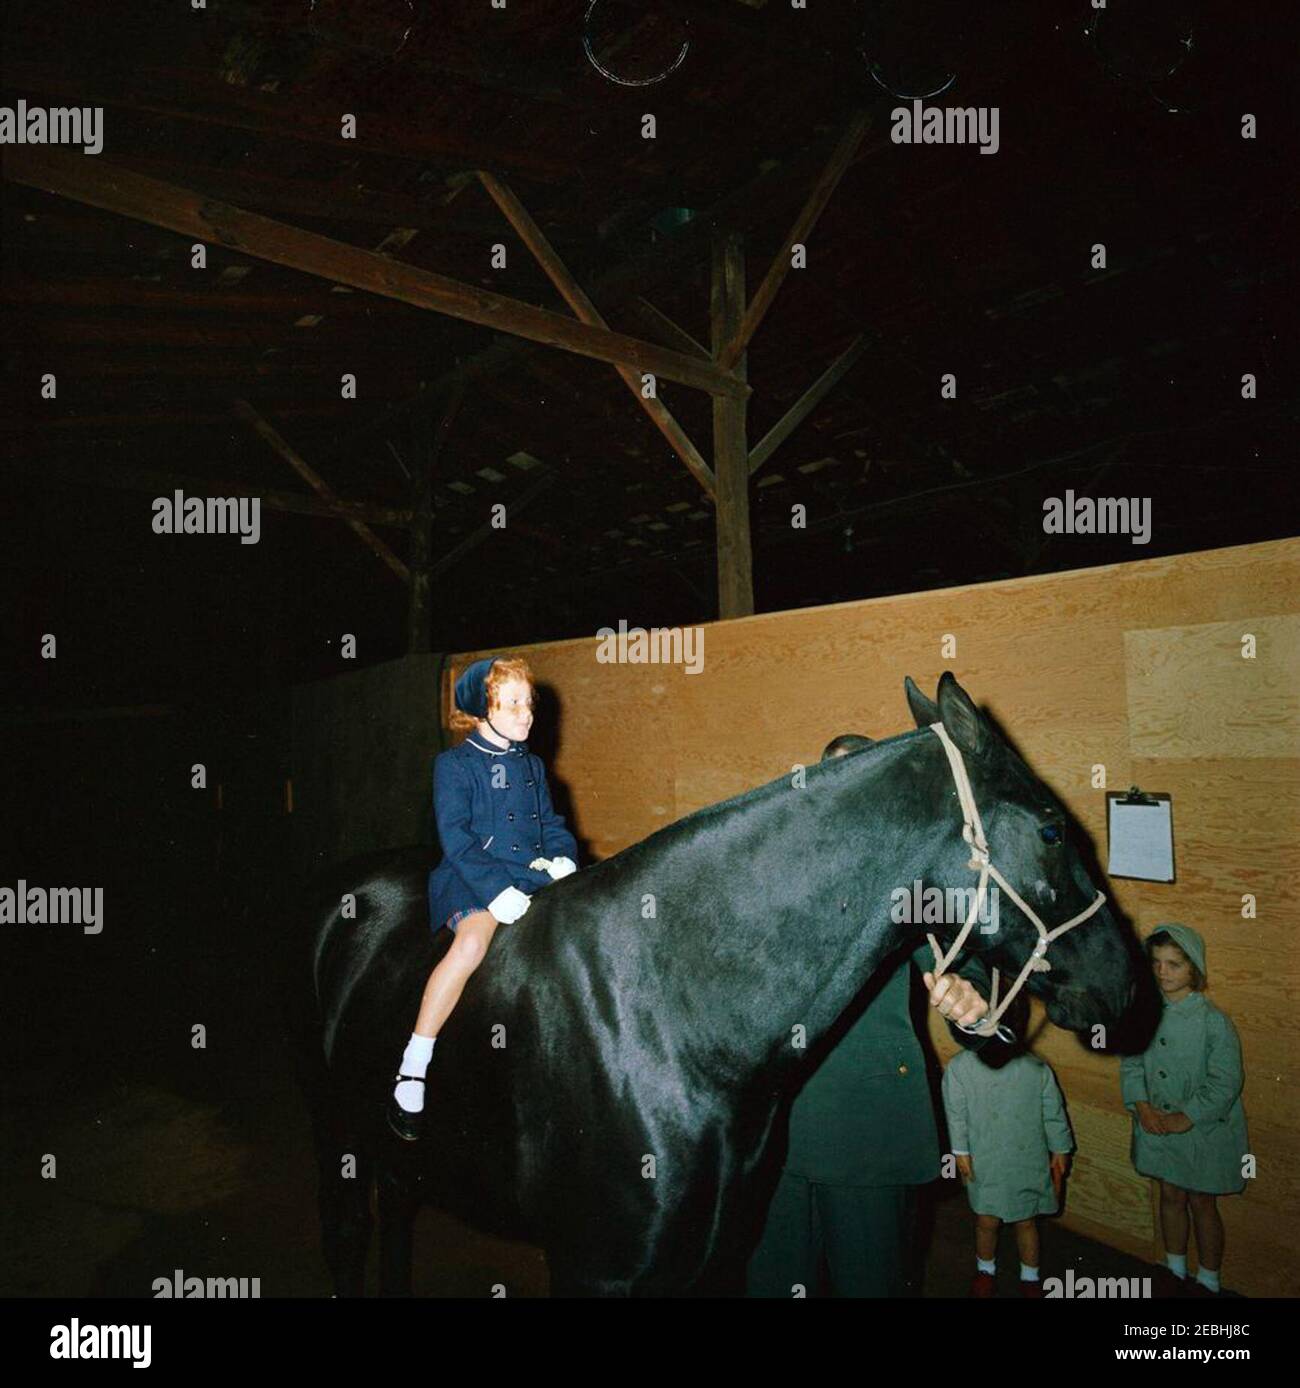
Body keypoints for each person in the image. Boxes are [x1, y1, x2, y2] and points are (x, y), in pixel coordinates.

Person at [746, 733, 994, 1298]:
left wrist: (972, 1001)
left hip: (865, 1127)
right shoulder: (773, 873)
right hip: (770, 1129)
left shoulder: (909, 886)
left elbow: (969, 964)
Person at [387, 655, 578, 1141]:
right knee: (473, 943)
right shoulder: (454, 765)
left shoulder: (532, 764)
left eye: (528, 703)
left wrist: (561, 857)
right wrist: (495, 893)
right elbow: (457, 839)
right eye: (511, 703)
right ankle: (415, 1060)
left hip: (529, 873)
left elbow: (550, 825)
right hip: (471, 876)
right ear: (480, 707)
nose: (525, 714)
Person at [1119, 924, 1249, 1298]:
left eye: (1174, 964)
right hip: (1155, 1125)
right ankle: (1173, 1269)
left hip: (1201, 1132)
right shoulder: (1142, 1011)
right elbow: (1130, 1062)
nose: (1163, 973)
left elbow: (1226, 1081)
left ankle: (1208, 1280)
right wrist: (1141, 1105)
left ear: (1194, 969)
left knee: (1201, 1202)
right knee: (1170, 1195)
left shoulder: (1212, 1022)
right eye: (1157, 963)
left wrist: (1186, 1116)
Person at [941, 990, 1073, 1297]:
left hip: (1025, 1159)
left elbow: (1053, 1112)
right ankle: (985, 1270)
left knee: (1026, 1221)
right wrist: (960, 1151)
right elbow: (955, 1113)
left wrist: (1060, 1149)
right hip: (986, 1159)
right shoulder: (961, 1069)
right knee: (986, 1220)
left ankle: (1030, 1276)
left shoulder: (1035, 1068)